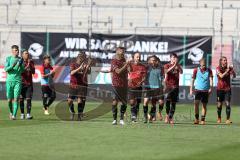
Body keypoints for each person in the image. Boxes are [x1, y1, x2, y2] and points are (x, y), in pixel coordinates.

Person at [68, 52, 92, 121]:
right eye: (81, 57)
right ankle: (72, 112)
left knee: (80, 100)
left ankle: (79, 116)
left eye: (83, 57)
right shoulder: (73, 64)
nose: (82, 59)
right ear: (78, 58)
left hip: (81, 85)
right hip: (73, 85)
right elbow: (72, 73)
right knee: (69, 101)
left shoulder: (85, 65)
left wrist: (89, 65)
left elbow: (88, 72)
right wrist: (79, 68)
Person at [190, 58, 213, 125]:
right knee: (196, 104)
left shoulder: (209, 70)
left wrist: (210, 88)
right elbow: (192, 80)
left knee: (204, 105)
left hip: (205, 90)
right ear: (200, 64)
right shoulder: (196, 70)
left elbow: (211, 79)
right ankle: (196, 119)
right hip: (198, 90)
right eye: (202, 65)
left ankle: (202, 120)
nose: (204, 67)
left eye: (205, 65)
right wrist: (191, 90)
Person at [4, 45, 25, 120]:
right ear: (12, 51)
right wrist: (12, 66)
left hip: (18, 81)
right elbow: (6, 69)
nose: (17, 51)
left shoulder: (21, 59)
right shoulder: (8, 58)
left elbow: (23, 70)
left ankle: (14, 115)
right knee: (9, 100)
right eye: (15, 50)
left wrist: (21, 65)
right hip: (9, 81)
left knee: (16, 99)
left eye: (17, 50)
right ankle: (11, 112)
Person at [110, 47, 130, 125]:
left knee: (124, 102)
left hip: (124, 84)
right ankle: (114, 119)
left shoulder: (125, 61)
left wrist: (129, 65)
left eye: (124, 51)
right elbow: (118, 71)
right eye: (122, 51)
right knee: (115, 102)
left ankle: (121, 119)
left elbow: (129, 70)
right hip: (116, 84)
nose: (123, 52)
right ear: (117, 51)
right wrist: (126, 65)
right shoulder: (113, 61)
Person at [143, 55, 164, 123]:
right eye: (152, 60)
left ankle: (155, 113)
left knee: (160, 102)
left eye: (154, 60)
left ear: (156, 61)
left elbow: (162, 77)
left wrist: (163, 85)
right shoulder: (146, 67)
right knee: (146, 101)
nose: (153, 62)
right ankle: (146, 116)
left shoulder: (160, 68)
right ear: (149, 61)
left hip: (157, 87)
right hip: (148, 87)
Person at [216, 56, 236, 124]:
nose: (225, 61)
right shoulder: (218, 68)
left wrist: (232, 70)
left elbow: (234, 76)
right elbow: (221, 76)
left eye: (226, 60)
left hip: (227, 89)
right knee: (219, 105)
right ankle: (219, 118)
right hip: (220, 89)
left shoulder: (229, 68)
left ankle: (227, 119)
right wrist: (227, 71)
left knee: (227, 104)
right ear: (221, 61)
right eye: (224, 60)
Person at [164, 53, 183, 124]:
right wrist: (174, 65)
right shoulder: (167, 65)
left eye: (175, 57)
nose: (175, 59)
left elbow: (181, 72)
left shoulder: (178, 66)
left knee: (173, 103)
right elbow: (166, 71)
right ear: (170, 58)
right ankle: (167, 116)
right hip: (168, 86)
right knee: (168, 102)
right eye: (173, 57)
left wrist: (177, 65)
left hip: (176, 86)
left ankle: (171, 117)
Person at [128, 52, 146, 123]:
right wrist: (128, 63)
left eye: (139, 57)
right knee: (132, 101)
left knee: (137, 102)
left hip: (139, 86)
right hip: (131, 86)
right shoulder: (130, 65)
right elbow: (128, 71)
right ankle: (133, 116)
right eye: (137, 57)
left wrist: (141, 82)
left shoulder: (142, 66)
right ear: (134, 57)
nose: (138, 58)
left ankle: (135, 116)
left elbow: (144, 77)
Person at [19, 49, 35, 120]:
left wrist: (30, 66)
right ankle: (22, 114)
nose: (27, 55)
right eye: (25, 53)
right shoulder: (20, 62)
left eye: (27, 53)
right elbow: (20, 71)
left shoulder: (31, 62)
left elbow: (33, 72)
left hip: (29, 84)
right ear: (22, 55)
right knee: (21, 99)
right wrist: (27, 65)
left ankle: (28, 114)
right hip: (21, 83)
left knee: (29, 99)